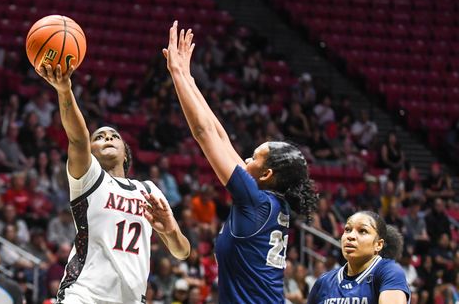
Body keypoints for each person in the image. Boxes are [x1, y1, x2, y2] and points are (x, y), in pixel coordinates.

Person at [164, 21, 318, 303]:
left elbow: (204, 133)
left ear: (267, 173)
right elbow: (220, 136)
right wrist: (189, 79)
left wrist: (176, 73)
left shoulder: (255, 200)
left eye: (253, 157)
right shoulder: (266, 200)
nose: (245, 157)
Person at [36, 59, 190, 304]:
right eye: (99, 137)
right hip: (83, 295)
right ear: (91, 151)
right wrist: (65, 90)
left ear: (126, 153)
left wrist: (171, 232)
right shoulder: (89, 179)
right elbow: (77, 139)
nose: (107, 137)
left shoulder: (148, 190)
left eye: (114, 136)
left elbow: (182, 252)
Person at [307, 211, 410, 304]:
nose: (350, 236)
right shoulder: (324, 281)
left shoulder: (389, 272)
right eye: (347, 229)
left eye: (362, 231)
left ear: (378, 245)